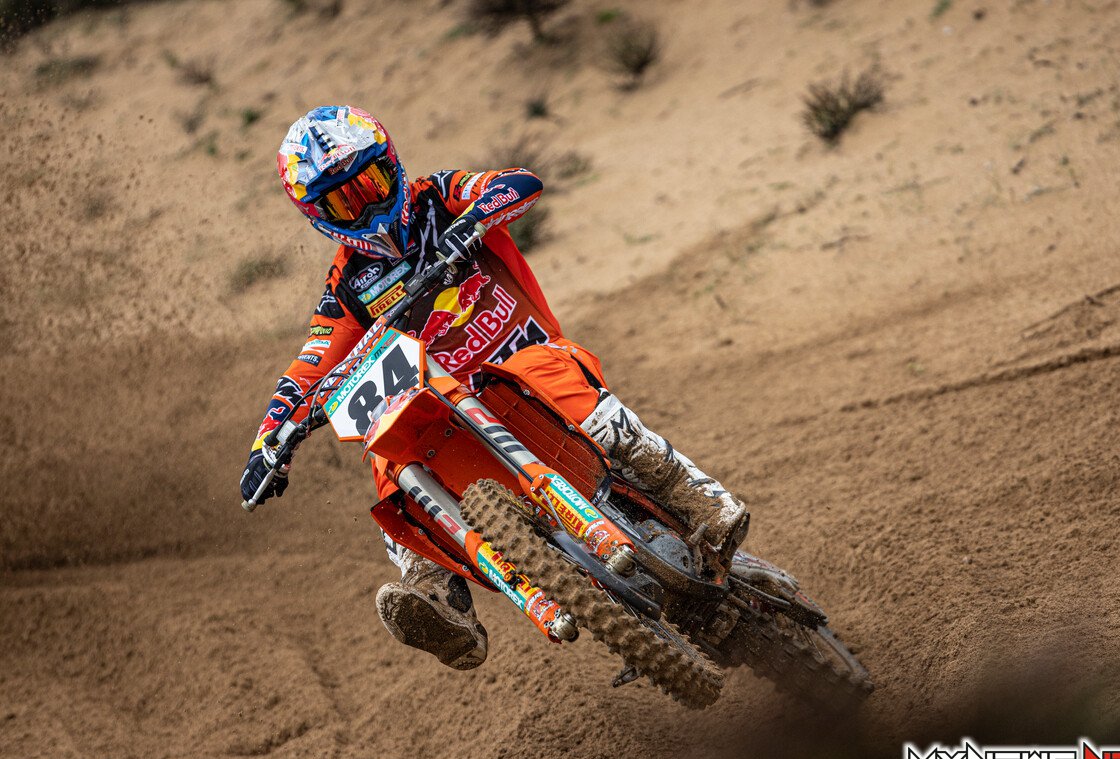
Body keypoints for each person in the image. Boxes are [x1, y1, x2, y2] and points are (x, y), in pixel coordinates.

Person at [241, 105, 747, 671]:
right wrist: (269, 442)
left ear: (392, 165)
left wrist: (474, 220)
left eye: (371, 183)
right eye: (344, 202)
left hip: (533, 370)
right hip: (454, 415)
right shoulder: (348, 288)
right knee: (387, 456)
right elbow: (310, 368)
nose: (367, 207)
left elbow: (518, 182)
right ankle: (439, 600)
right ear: (319, 216)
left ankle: (692, 491)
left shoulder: (440, 197)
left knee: (549, 376)